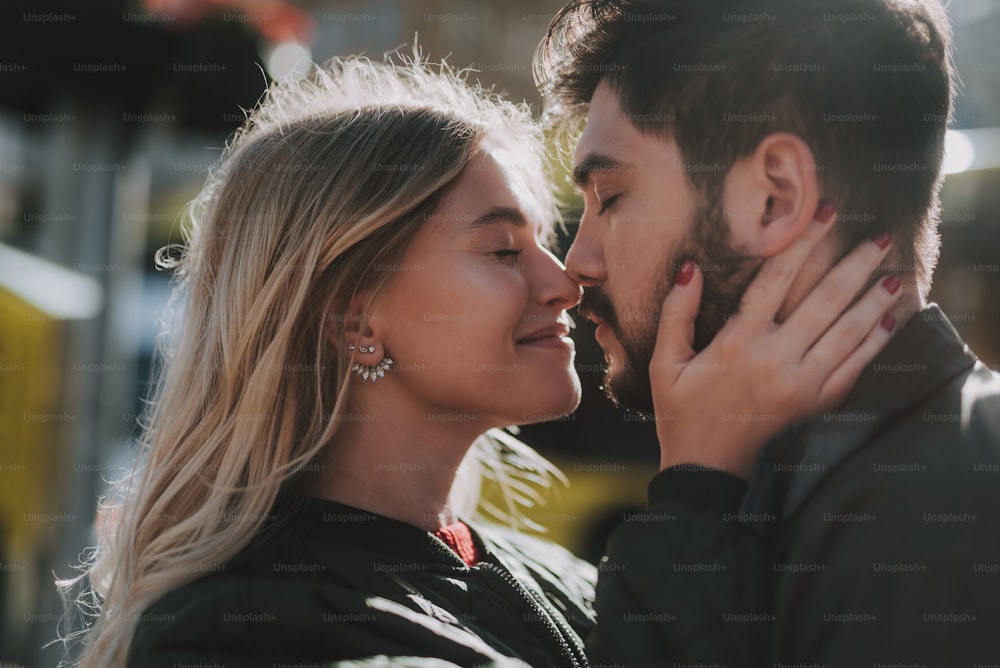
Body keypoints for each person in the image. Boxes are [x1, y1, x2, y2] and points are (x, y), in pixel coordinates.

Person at [57, 54, 897, 668]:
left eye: (545, 240)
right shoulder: (245, 634)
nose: (564, 282)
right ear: (353, 318)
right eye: (502, 251)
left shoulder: (557, 576)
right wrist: (703, 484)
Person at [537, 0, 1000, 665]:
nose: (575, 263)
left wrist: (694, 505)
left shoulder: (934, 533)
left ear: (775, 197)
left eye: (610, 198)